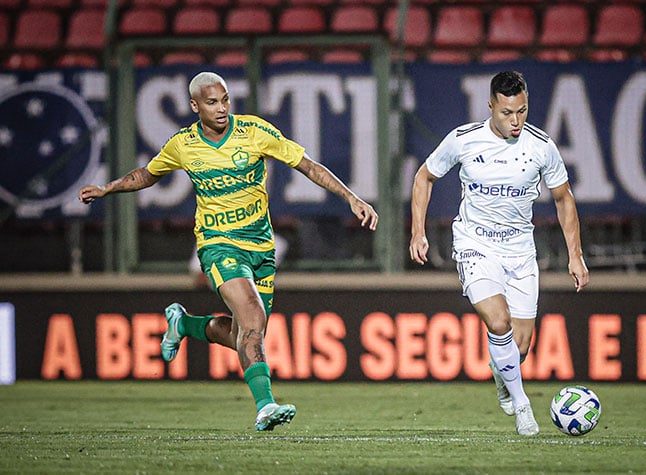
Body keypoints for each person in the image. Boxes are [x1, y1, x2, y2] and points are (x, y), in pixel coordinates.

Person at [79, 71, 378, 431]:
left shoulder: (254, 131)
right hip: (218, 243)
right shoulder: (182, 144)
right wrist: (108, 188)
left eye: (224, 101)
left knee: (245, 334)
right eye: (211, 103)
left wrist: (350, 197)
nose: (221, 109)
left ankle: (184, 323)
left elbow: (307, 165)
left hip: (260, 246)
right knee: (252, 317)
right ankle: (265, 406)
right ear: (194, 106)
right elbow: (148, 174)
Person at [408, 71, 588, 436]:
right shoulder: (463, 140)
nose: (516, 121)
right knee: (498, 321)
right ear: (490, 106)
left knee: (519, 346)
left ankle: (502, 373)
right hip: (475, 244)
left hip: (520, 250)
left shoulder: (541, 146)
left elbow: (564, 198)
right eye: (507, 113)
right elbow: (424, 177)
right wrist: (418, 231)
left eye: (522, 111)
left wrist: (576, 255)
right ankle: (523, 405)